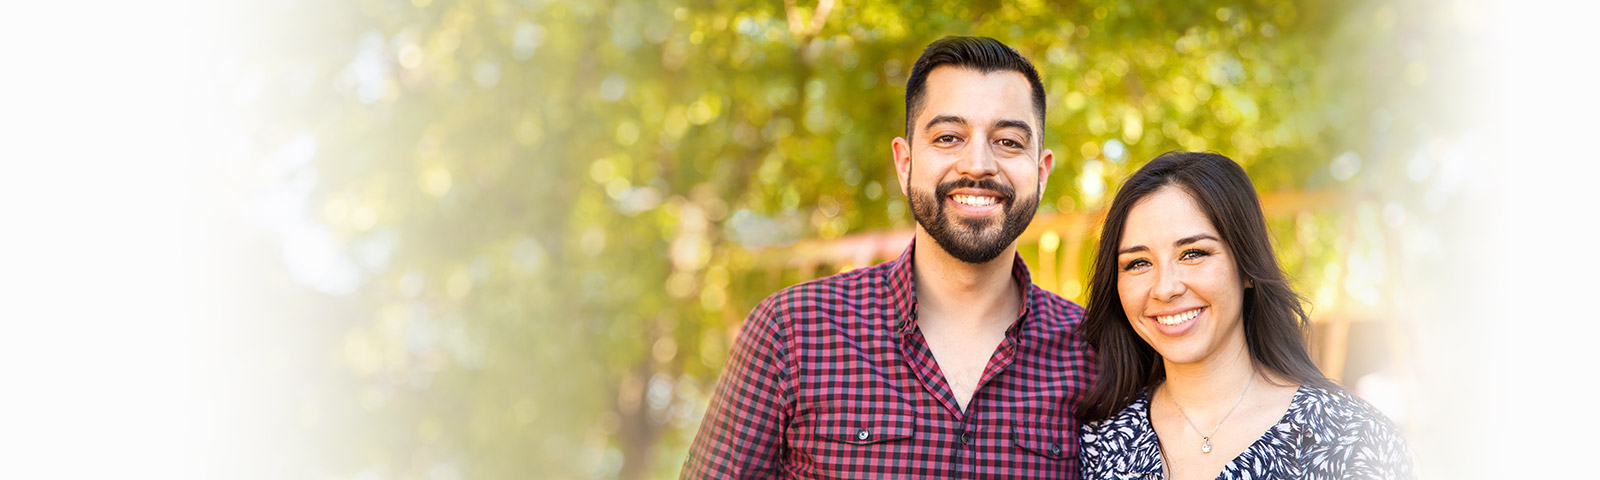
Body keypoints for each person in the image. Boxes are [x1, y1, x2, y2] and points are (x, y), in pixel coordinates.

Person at [681, 36, 1094, 478]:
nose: (978, 165)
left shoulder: (1098, 357)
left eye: (1008, 142)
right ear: (904, 162)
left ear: (1041, 171)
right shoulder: (790, 331)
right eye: (949, 137)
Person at [1076, 151, 1413, 479]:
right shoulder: (1097, 443)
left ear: (1247, 267)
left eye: (1193, 253)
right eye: (1138, 263)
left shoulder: (1351, 438)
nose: (1165, 288)